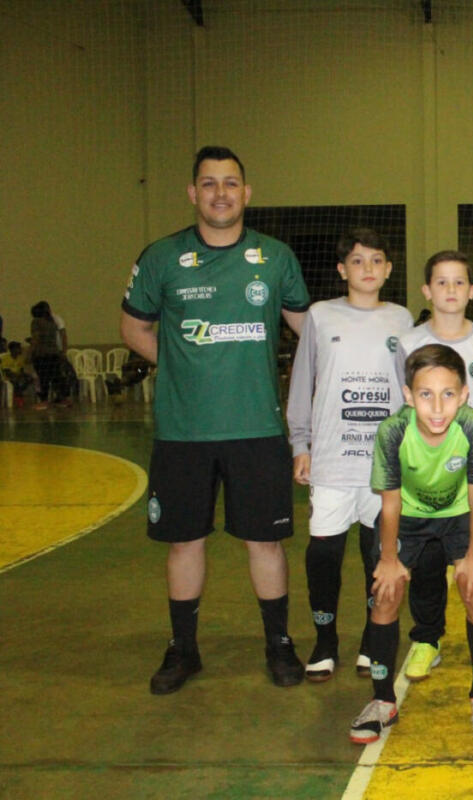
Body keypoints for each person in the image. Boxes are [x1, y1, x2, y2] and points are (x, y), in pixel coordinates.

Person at [120, 146, 311, 694]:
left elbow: (312, 331)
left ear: (246, 193)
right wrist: (183, 364)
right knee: (184, 542)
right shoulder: (161, 257)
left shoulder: (275, 258)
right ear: (192, 193)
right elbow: (134, 329)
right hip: (184, 432)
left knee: (265, 543)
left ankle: (279, 644)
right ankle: (183, 649)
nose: (220, 193)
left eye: (230, 183)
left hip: (258, 429)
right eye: (209, 183)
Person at [354, 344, 473, 743]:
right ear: (407, 395)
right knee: (385, 593)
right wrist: (388, 559)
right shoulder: (393, 431)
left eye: (448, 394)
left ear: (464, 395)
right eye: (425, 394)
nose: (437, 407)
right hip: (408, 516)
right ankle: (382, 701)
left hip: (459, 514)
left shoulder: (472, 426)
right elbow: (390, 503)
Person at [286, 228, 413, 683]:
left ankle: (370, 639)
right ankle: (325, 642)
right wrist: (300, 444)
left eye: (376, 260)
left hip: (383, 463)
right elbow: (303, 381)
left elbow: (412, 388)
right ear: (342, 270)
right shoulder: (320, 316)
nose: (367, 268)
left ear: (388, 269)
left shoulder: (401, 319)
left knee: (377, 553)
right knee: (324, 554)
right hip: (333, 459)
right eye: (357, 261)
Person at [397, 251, 473, 684]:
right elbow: (404, 404)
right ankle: (427, 638)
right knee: (426, 564)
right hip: (426, 481)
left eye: (459, 282)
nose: (450, 290)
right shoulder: (408, 343)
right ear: (426, 291)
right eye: (441, 282)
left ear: (472, 291)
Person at [29, 301, 71, 409]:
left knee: (43, 378)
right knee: (56, 377)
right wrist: (63, 351)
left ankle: (44, 401)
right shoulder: (52, 322)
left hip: (41, 354)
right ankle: (63, 399)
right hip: (54, 353)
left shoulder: (36, 322)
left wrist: (29, 353)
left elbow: (36, 339)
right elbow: (62, 336)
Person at [1, 340, 34, 404]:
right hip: (8, 376)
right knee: (16, 380)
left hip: (18, 376)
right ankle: (18, 396)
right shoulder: (5, 358)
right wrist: (18, 376)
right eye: (18, 348)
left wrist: (26, 375)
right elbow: (7, 372)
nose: (20, 350)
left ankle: (17, 395)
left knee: (30, 378)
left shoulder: (20, 358)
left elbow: (21, 370)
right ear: (12, 349)